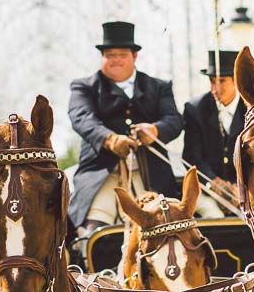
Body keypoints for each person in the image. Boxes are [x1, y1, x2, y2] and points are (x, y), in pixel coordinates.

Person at [67, 21, 183, 237]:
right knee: (93, 231)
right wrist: (110, 139)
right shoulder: (83, 87)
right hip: (102, 175)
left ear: (134, 56)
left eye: (121, 54)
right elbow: (81, 118)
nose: (115, 60)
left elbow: (174, 120)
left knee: (166, 229)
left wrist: (155, 131)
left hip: (150, 175)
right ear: (102, 57)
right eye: (110, 55)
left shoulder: (159, 87)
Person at [181, 49, 245, 216]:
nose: (215, 88)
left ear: (236, 81)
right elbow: (191, 156)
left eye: (222, 81)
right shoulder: (195, 109)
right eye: (212, 81)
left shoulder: (252, 110)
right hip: (206, 190)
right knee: (213, 217)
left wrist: (241, 188)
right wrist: (213, 183)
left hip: (245, 191)